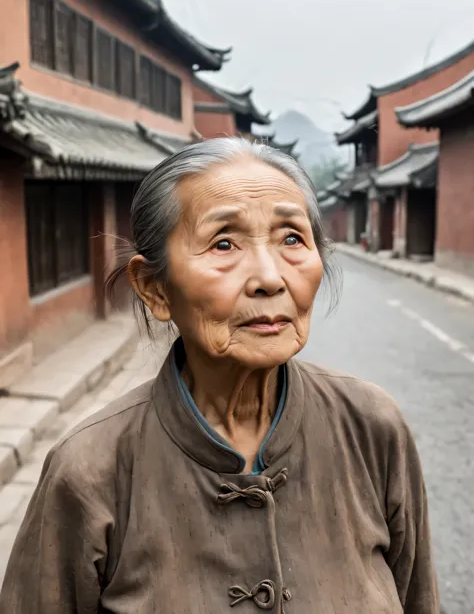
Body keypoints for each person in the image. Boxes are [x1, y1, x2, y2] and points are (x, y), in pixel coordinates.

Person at [0, 137, 439, 613]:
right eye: (223, 243)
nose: (270, 278)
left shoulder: (372, 429)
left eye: (292, 238)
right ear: (155, 289)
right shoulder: (90, 471)